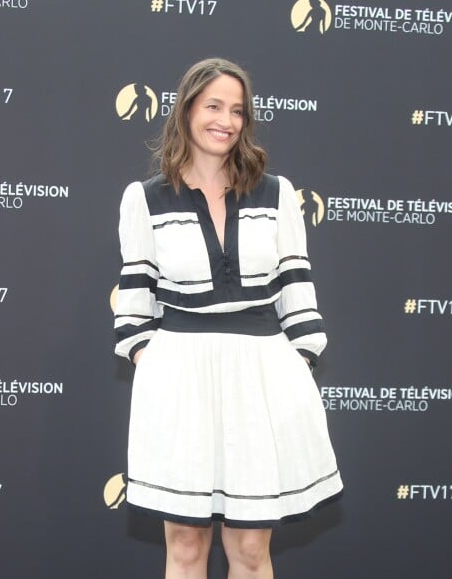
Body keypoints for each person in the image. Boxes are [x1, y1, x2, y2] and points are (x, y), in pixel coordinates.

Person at [114, 58, 342, 579]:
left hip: (261, 379)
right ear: (188, 110)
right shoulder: (144, 199)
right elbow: (133, 303)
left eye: (237, 110)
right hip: (180, 380)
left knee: (249, 550)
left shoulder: (277, 193)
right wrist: (156, 364)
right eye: (214, 105)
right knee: (187, 547)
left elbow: (296, 289)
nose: (227, 120)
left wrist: (297, 361)